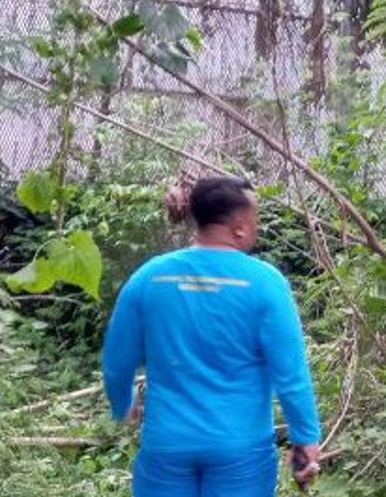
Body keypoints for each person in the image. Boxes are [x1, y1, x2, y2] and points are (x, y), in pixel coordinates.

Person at [102, 176, 321, 497]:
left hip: (167, 444)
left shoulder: (150, 276)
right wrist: (305, 438)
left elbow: (116, 363)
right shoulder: (265, 283)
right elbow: (290, 373)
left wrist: (124, 405)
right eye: (255, 218)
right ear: (240, 226)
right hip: (240, 451)